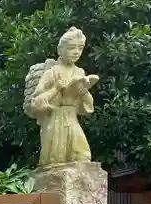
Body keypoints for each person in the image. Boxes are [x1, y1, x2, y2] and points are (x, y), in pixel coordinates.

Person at [24, 27, 99, 165]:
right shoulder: (51, 73)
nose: (76, 52)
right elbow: (36, 102)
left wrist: (84, 92)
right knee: (55, 161)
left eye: (80, 48)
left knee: (83, 156)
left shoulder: (79, 72)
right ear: (60, 50)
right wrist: (57, 88)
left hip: (72, 118)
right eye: (71, 48)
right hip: (54, 119)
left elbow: (86, 108)